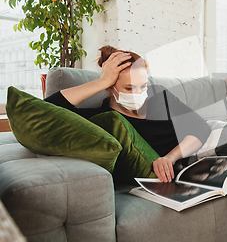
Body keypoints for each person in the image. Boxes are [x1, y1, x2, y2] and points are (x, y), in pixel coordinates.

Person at [44, 45, 211, 183]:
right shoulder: (105, 119)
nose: (138, 94)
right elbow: (47, 110)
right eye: (129, 88)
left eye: (143, 86)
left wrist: (169, 158)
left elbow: (201, 128)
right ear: (111, 87)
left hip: (192, 159)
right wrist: (102, 81)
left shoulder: (159, 96)